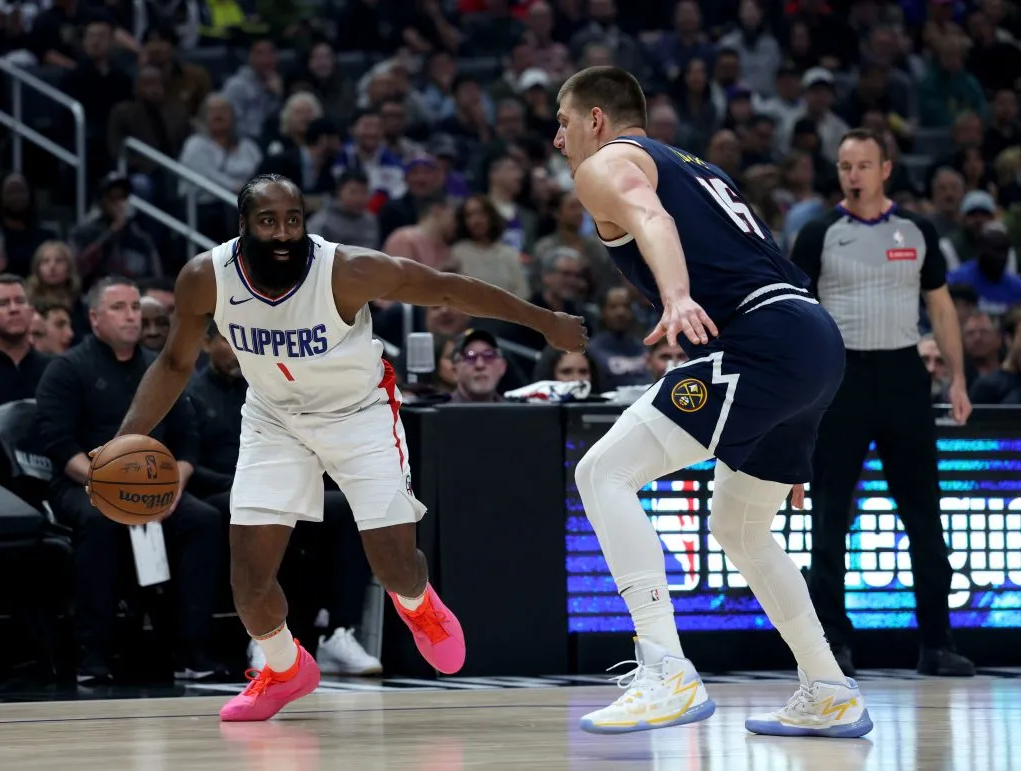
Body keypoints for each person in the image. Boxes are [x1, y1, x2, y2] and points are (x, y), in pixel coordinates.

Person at [95, 174, 587, 722]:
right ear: (243, 225)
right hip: (274, 419)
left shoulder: (347, 270)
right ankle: (284, 668)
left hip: (359, 415)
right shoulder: (205, 278)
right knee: (248, 582)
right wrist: (123, 441)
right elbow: (173, 364)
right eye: (267, 221)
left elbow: (448, 288)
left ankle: (418, 605)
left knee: (396, 566)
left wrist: (547, 323)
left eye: (293, 219)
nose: (283, 232)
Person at [554, 66, 871, 738]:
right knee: (742, 526)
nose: (559, 140)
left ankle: (665, 667)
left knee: (600, 473)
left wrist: (674, 294)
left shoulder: (606, 163)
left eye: (563, 121)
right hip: (811, 342)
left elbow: (648, 214)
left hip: (761, 341)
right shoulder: (693, 163)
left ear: (597, 120)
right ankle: (829, 686)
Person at [792, 129, 975, 678]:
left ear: (886, 169)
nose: (853, 175)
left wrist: (959, 379)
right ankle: (833, 647)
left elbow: (941, 310)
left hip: (903, 375)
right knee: (829, 514)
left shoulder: (916, 229)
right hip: (840, 376)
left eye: (864, 165)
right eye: (845, 165)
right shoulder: (819, 232)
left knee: (924, 513)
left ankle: (937, 644)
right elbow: (797, 315)